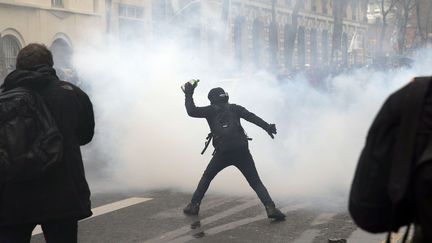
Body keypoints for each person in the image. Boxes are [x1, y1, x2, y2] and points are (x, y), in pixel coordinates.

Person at [0, 43, 94, 243]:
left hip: (12, 195)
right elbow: (86, 136)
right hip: (61, 192)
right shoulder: (72, 93)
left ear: (18, 65)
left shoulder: (3, 96)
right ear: (50, 64)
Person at [182, 82, 285, 220]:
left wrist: (189, 93)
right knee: (255, 182)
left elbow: (192, 111)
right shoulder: (235, 108)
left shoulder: (210, 110)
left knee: (207, 176)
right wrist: (267, 127)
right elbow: (252, 117)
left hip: (222, 152)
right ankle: (270, 208)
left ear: (212, 99)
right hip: (242, 151)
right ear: (225, 97)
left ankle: (194, 205)